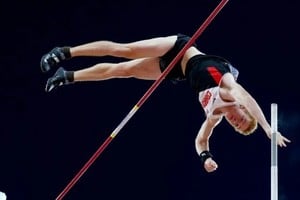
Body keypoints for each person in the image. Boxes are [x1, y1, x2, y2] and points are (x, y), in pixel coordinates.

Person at [40, 33, 291, 173]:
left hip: (177, 71)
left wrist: (205, 157)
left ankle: (67, 77)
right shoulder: (229, 90)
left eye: (235, 125)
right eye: (241, 118)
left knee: (122, 71)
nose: (235, 120)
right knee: (124, 50)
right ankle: (66, 51)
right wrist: (268, 129)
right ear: (243, 110)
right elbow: (246, 97)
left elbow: (201, 140)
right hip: (181, 49)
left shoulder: (215, 116)